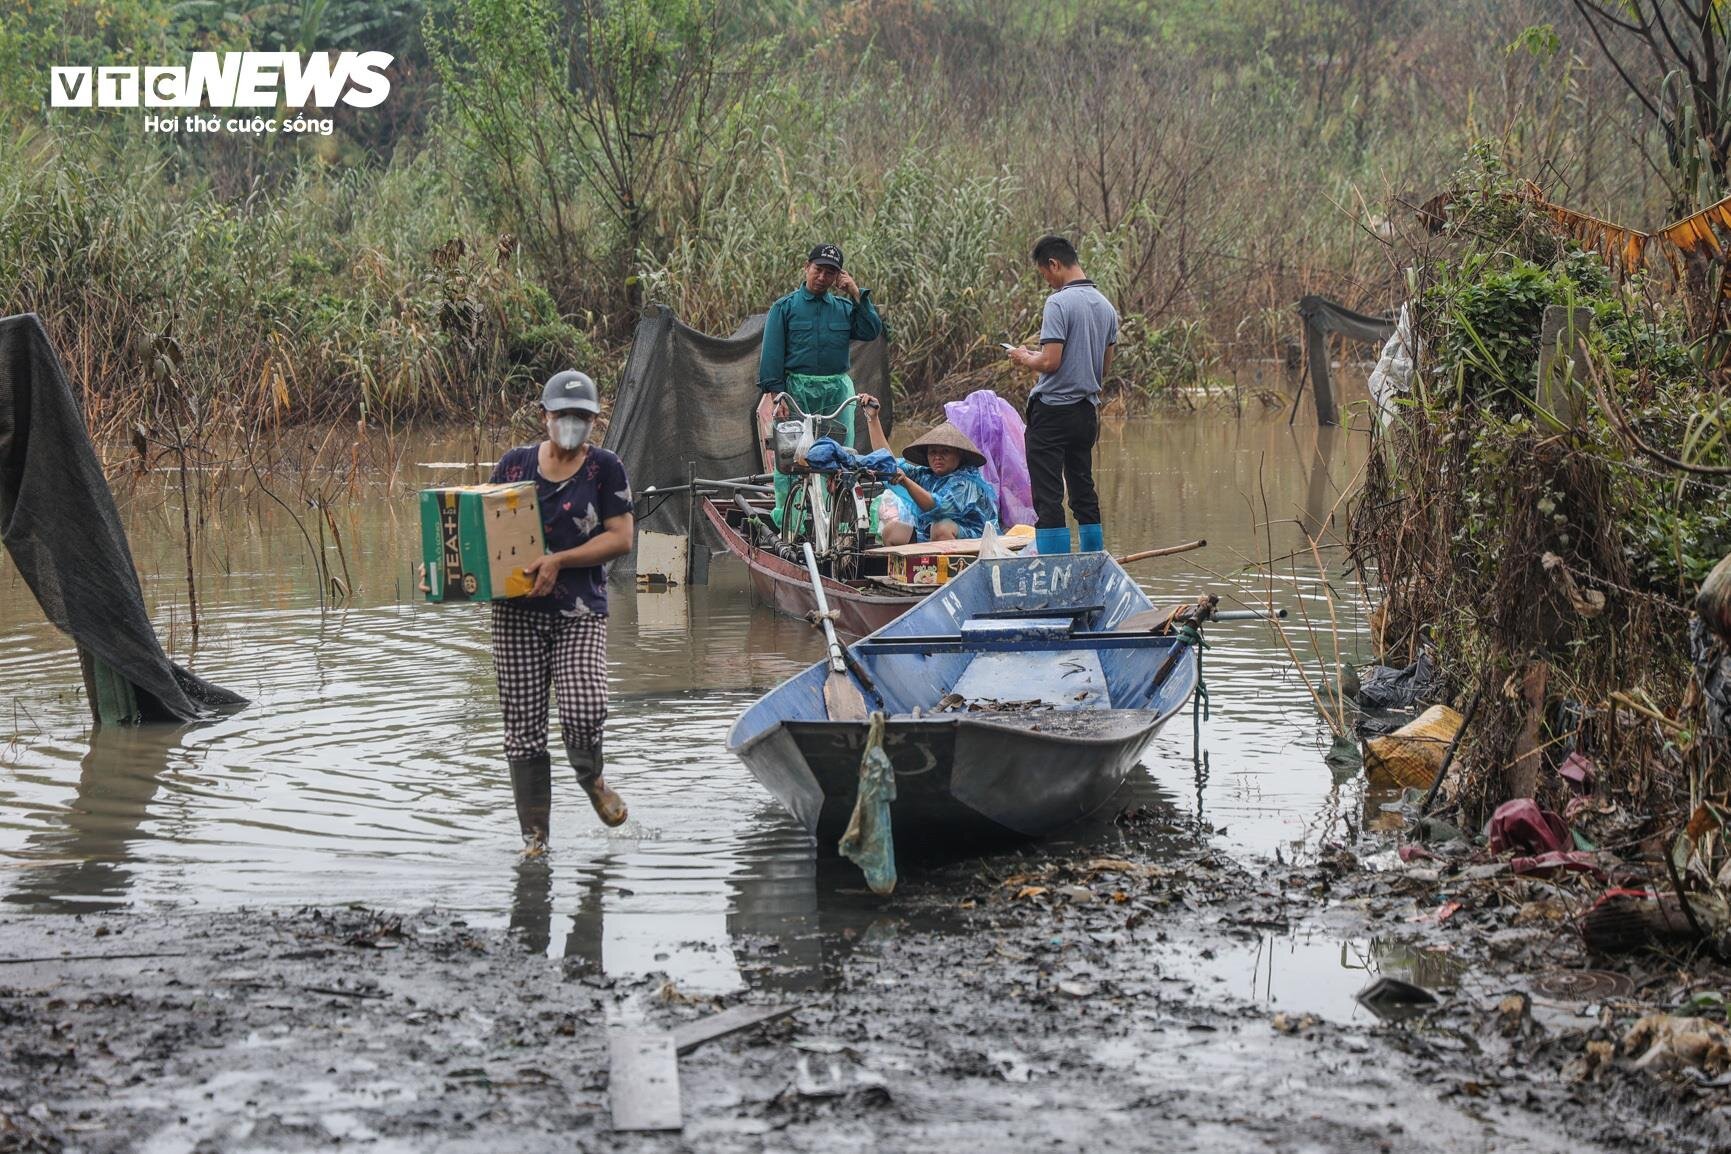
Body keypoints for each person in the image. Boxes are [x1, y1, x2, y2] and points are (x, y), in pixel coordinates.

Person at [487, 370, 634, 852]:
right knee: (523, 730)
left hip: (579, 610)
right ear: (544, 416)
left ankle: (591, 779)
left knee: (584, 706)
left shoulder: (605, 468)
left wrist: (560, 561)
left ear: (594, 420)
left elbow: (621, 537)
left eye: (582, 417)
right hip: (516, 615)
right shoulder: (513, 465)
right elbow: (481, 531)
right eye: (563, 415)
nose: (571, 423)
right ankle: (535, 840)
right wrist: (443, 574)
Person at [758, 243, 884, 528]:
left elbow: (871, 330)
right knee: (791, 459)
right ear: (806, 267)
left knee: (838, 457)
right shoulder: (785, 307)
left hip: (836, 391)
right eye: (818, 270)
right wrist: (778, 397)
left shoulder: (843, 308)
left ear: (838, 276)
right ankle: (793, 524)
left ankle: (835, 525)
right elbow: (772, 356)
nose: (823, 277)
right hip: (795, 392)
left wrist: (854, 292)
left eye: (831, 273)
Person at [1006, 235, 1118, 555]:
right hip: (1086, 413)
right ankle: (1094, 560)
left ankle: (1054, 568)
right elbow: (1104, 368)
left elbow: (1050, 361)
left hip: (1053, 411)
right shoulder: (1107, 307)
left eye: (1045, 274)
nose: (1047, 283)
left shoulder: (1058, 303)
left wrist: (1024, 356)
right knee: (1083, 490)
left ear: (1054, 264)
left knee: (1048, 495)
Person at [862, 396, 998, 545]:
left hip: (975, 542)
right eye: (933, 452)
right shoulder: (926, 475)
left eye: (945, 451)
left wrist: (906, 482)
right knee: (891, 531)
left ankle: (948, 569)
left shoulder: (966, 483)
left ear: (959, 455)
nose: (937, 457)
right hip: (931, 537)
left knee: (941, 528)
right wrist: (872, 418)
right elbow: (888, 463)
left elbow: (937, 509)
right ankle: (911, 569)